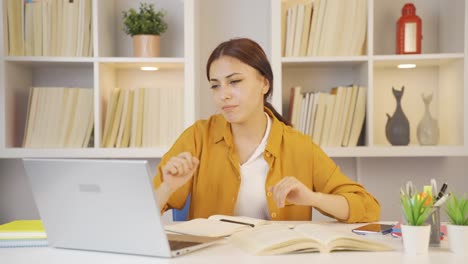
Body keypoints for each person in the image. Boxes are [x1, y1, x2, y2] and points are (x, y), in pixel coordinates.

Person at [153, 38, 380, 223]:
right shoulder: (197, 137)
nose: (223, 94)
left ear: (265, 84)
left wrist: (313, 198)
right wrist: (166, 188)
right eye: (215, 85)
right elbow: (140, 214)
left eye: (234, 82)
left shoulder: (298, 146)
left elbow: (367, 207)